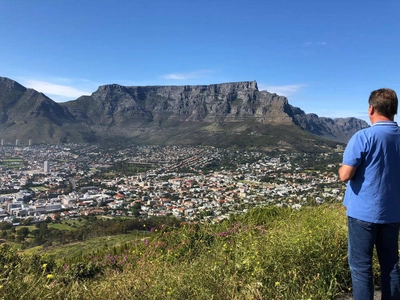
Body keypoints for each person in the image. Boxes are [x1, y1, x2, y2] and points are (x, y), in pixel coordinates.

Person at [339, 88, 400, 300]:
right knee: (391, 265)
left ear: (371, 108)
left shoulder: (363, 136)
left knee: (361, 267)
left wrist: (341, 168)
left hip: (362, 214)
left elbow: (345, 175)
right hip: (393, 213)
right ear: (394, 110)